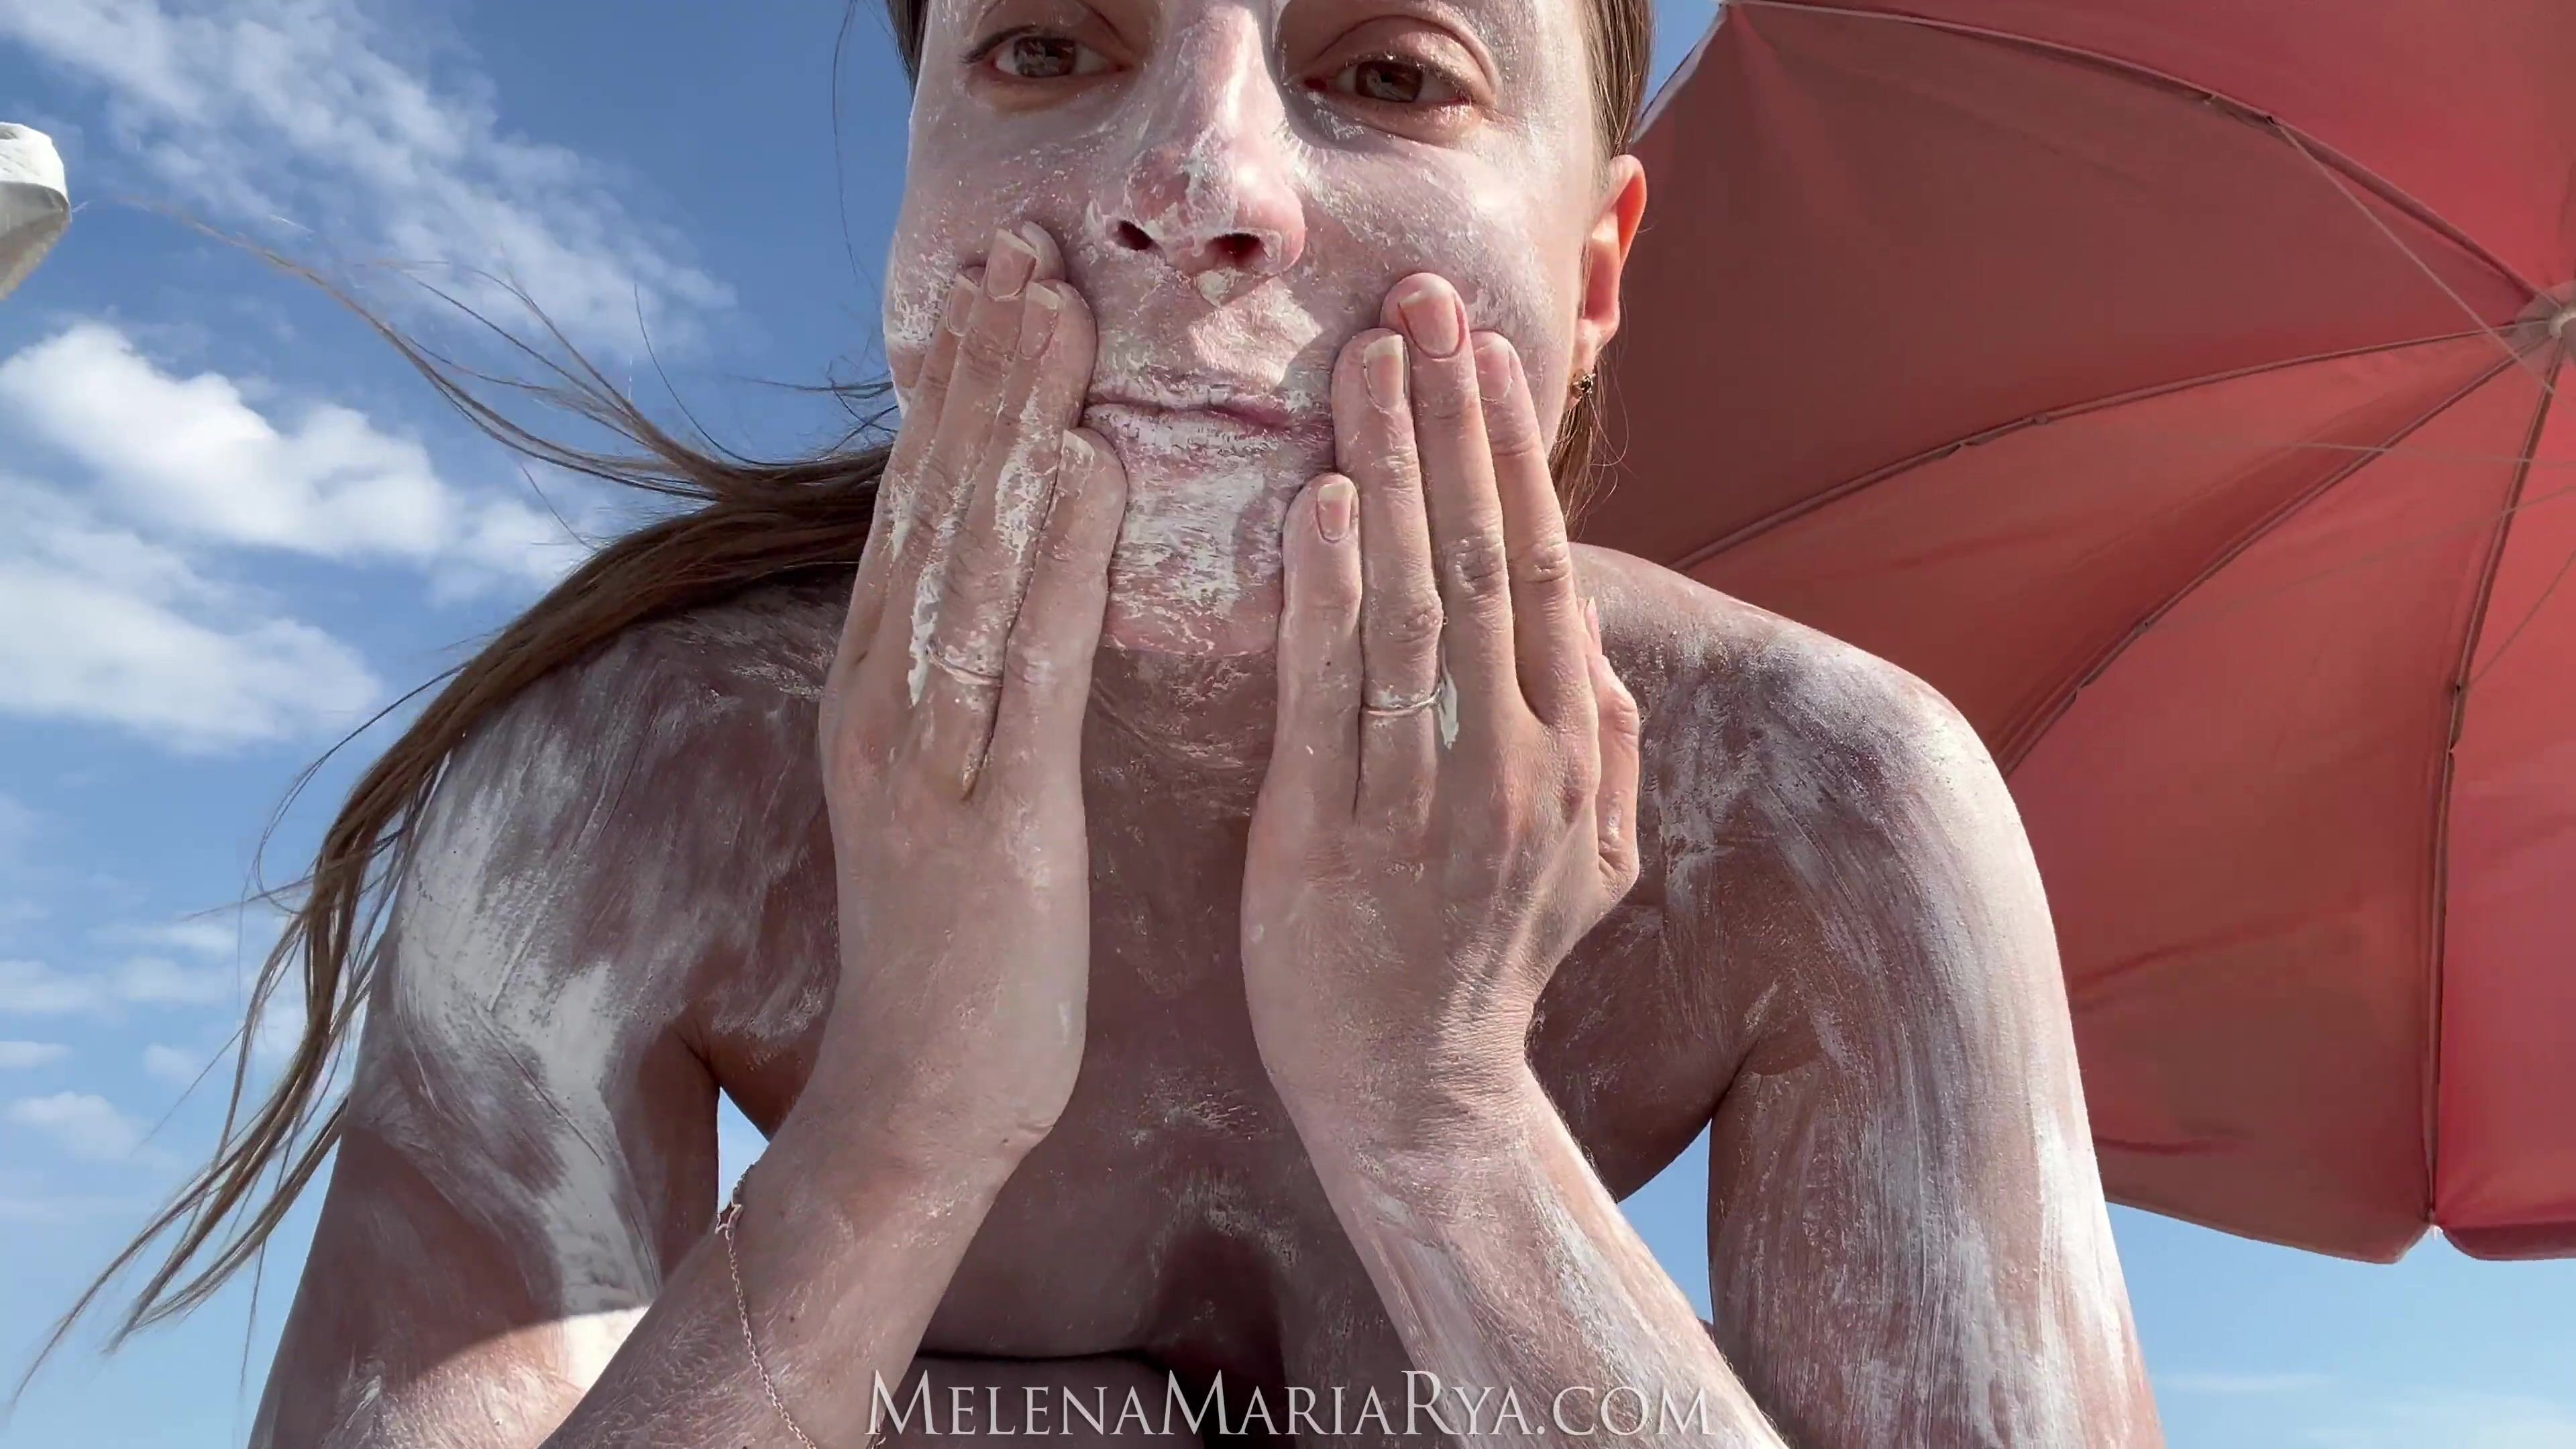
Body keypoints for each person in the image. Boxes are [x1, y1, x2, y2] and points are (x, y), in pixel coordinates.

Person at [64, 0, 2166, 1440]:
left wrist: (1442, 1116)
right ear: (921, 172)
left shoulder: (1819, 810)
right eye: (1049, 46)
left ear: (1598, 267)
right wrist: (901, 1124)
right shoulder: (629, 803)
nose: (1198, 178)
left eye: (1392, 71)